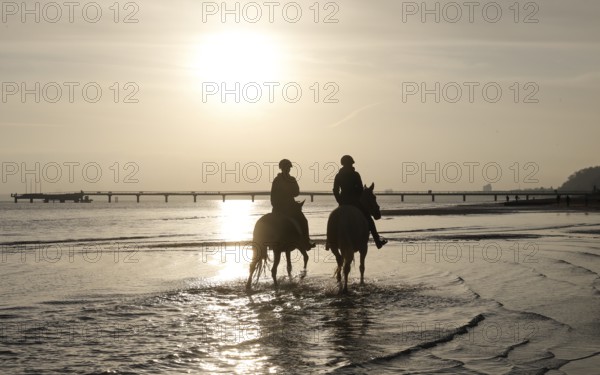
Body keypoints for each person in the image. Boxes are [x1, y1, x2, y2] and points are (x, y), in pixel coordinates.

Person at [332, 155, 387, 249]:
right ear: (350, 164)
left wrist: (340, 201)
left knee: (333, 220)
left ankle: (330, 243)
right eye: (350, 164)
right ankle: (378, 241)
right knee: (369, 219)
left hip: (343, 203)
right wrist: (356, 197)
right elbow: (361, 190)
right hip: (355, 203)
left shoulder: (338, 175)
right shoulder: (355, 174)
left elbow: (335, 190)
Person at [271, 159, 315, 251]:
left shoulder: (281, 179)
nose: (287, 169)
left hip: (278, 207)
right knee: (303, 220)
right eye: (286, 167)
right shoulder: (288, 179)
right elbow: (295, 192)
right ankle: (306, 242)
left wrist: (275, 205)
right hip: (288, 207)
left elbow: (296, 192)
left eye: (288, 168)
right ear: (282, 168)